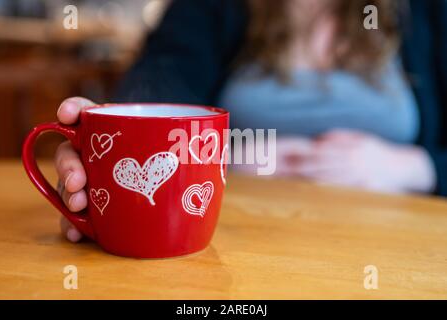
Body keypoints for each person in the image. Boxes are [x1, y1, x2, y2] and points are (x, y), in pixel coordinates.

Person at [54, 0, 447, 242]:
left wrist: (413, 167)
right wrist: (115, 132)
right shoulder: (213, 7)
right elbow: (162, 76)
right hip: (239, 239)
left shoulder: (426, 10)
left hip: (398, 239)